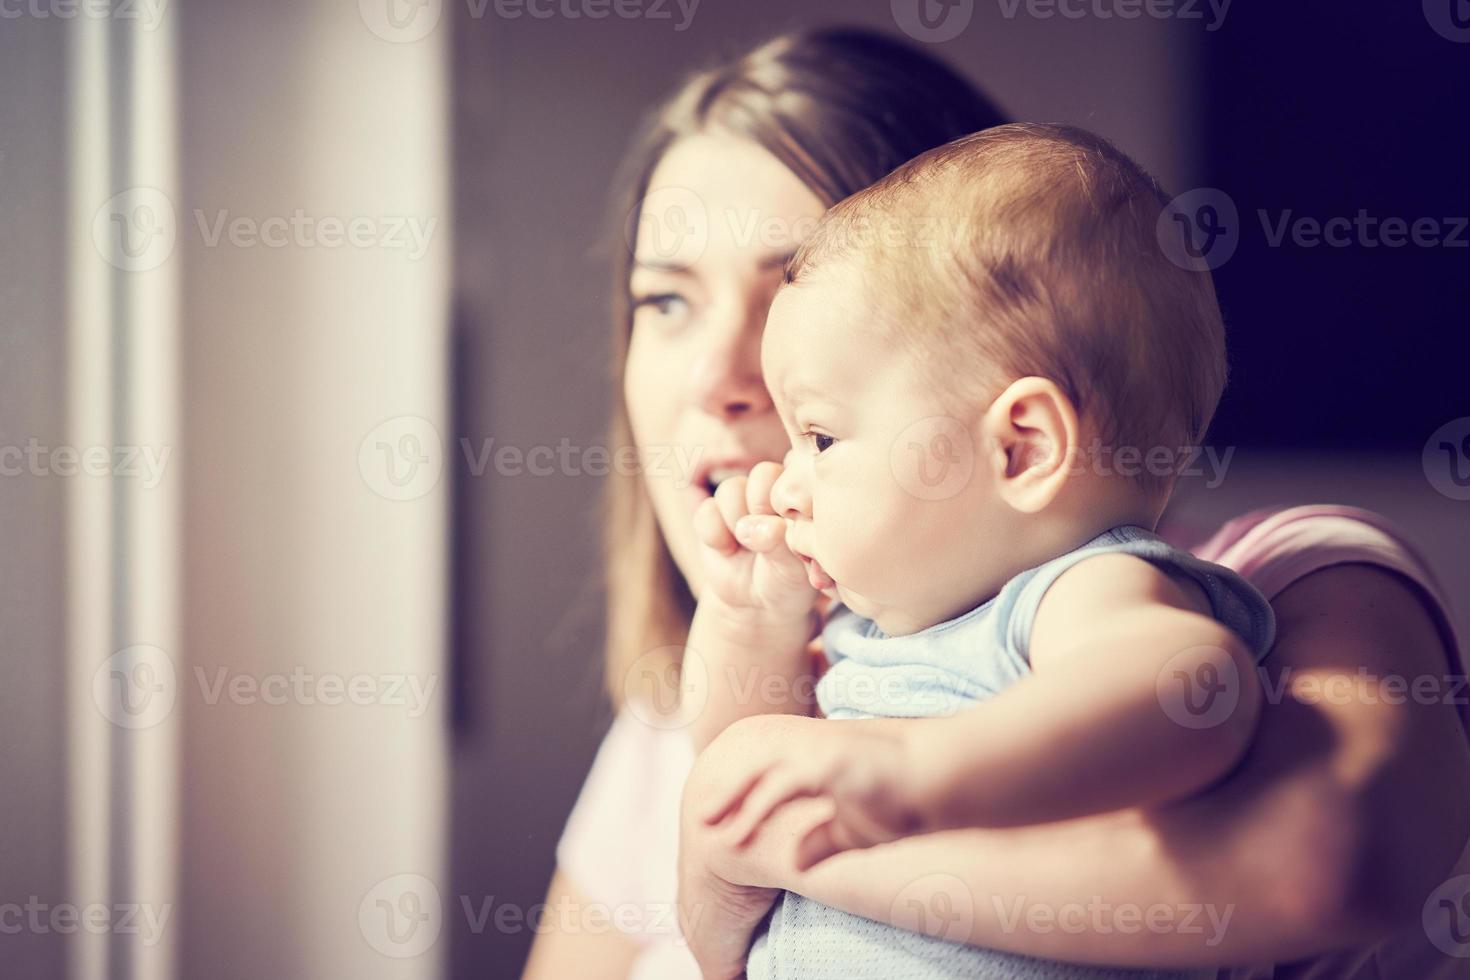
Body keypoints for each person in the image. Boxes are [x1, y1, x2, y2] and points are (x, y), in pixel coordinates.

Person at [521, 27, 1470, 980]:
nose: (719, 379)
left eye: (784, 308)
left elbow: (1296, 832)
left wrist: (845, 816)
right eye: (666, 302)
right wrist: (748, 621)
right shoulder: (756, 679)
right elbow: (727, 767)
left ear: (1016, 437)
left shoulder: (1158, 584)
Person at [681, 121, 1279, 979]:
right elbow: (742, 794)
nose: (786, 478)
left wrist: (920, 773)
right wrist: (750, 617)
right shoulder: (878, 627)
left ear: (1022, 449)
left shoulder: (1085, 589)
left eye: (819, 436)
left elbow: (1192, 687)